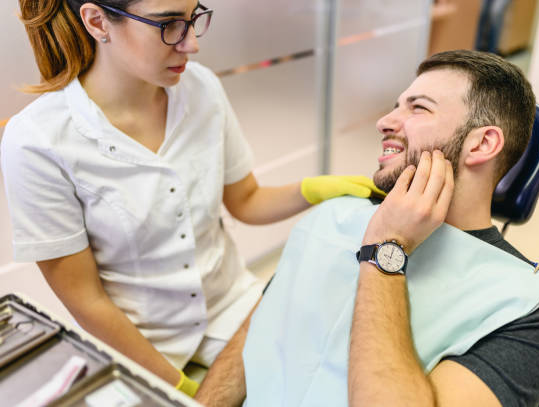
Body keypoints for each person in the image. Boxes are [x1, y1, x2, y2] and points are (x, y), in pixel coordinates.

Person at [0, 0, 383, 397]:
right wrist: (174, 386)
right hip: (140, 347)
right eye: (168, 25)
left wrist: (314, 190)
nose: (191, 44)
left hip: (235, 308)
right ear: (98, 22)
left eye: (193, 18)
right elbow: (87, 301)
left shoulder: (200, 88)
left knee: (332, 381)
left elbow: (246, 200)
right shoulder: (38, 141)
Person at [194, 50, 539, 407]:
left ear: (482, 144)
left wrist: (386, 249)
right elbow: (254, 335)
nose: (385, 121)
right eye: (396, 105)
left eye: (418, 108)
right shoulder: (335, 216)